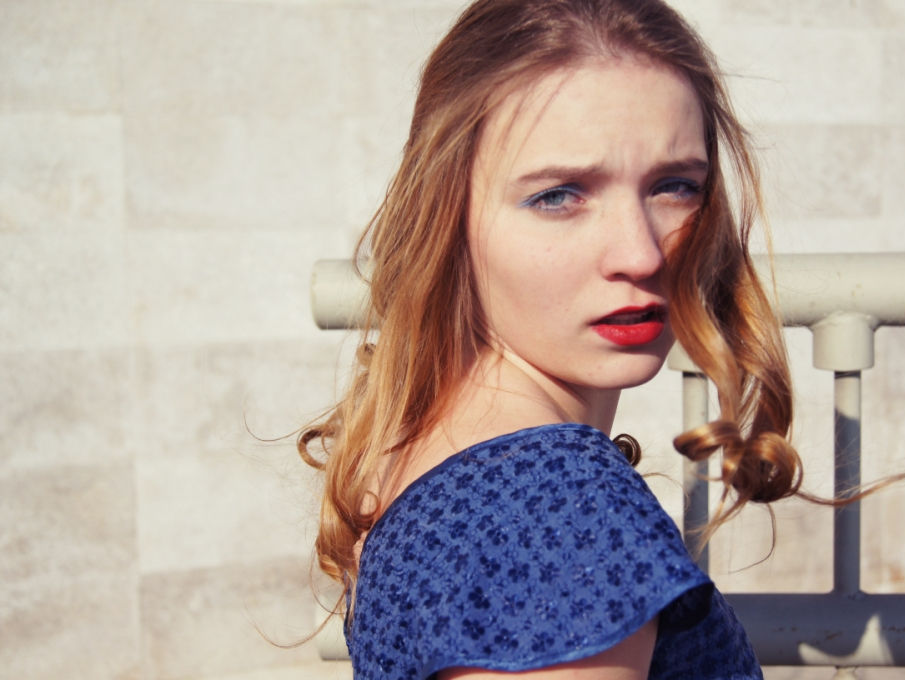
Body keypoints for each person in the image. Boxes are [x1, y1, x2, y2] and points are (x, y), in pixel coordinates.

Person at [299, 0, 802, 677]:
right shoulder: (556, 506)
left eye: (675, 186)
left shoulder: (425, 445)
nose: (641, 253)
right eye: (558, 195)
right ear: (447, 218)